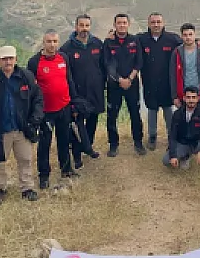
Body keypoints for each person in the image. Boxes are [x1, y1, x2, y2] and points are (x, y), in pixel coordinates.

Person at [0, 45, 43, 203]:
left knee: (25, 160)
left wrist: (35, 120)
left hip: (22, 129)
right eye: (4, 59)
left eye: (10, 58)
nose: (7, 62)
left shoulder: (26, 76)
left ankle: (27, 188)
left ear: (16, 59)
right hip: (0, 130)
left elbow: (37, 98)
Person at [28, 30, 79, 189]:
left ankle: (66, 169)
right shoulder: (35, 62)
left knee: (64, 140)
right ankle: (44, 175)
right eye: (49, 41)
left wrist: (73, 103)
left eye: (55, 41)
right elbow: (30, 89)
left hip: (64, 108)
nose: (52, 45)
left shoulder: (63, 57)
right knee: (45, 144)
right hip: (46, 112)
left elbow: (69, 80)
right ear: (43, 42)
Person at [59, 14, 106, 166]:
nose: (84, 29)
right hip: (78, 94)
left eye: (87, 25)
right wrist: (71, 96)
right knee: (77, 125)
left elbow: (104, 66)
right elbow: (65, 75)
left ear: (90, 27)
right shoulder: (66, 48)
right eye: (81, 25)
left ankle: (89, 147)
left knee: (92, 121)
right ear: (76, 27)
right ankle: (77, 155)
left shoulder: (97, 44)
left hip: (96, 92)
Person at [138, 12, 183, 151]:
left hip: (168, 84)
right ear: (148, 24)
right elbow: (125, 41)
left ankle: (172, 137)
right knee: (151, 110)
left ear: (163, 23)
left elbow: (189, 43)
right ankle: (152, 137)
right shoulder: (141, 39)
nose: (156, 25)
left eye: (158, 22)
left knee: (168, 110)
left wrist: (199, 42)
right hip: (149, 83)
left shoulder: (173, 39)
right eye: (153, 22)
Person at [102, 13, 145, 156]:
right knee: (112, 115)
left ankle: (138, 143)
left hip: (132, 84)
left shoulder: (135, 40)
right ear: (114, 25)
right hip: (114, 85)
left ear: (128, 24)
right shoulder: (108, 42)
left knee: (135, 114)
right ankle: (113, 145)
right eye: (119, 23)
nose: (122, 25)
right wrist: (120, 79)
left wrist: (130, 79)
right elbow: (107, 64)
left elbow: (139, 62)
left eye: (124, 22)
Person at [163, 86, 200, 176]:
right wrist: (173, 155)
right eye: (188, 97)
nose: (191, 100)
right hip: (183, 143)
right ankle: (185, 157)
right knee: (166, 160)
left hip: (197, 142)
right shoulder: (177, 114)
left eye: (193, 97)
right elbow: (172, 136)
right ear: (184, 98)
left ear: (198, 98)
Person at [173, 23, 200, 107]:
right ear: (181, 36)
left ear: (194, 35)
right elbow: (173, 75)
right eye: (185, 35)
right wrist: (174, 96)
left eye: (190, 34)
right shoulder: (177, 52)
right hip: (184, 94)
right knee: (185, 119)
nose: (188, 37)